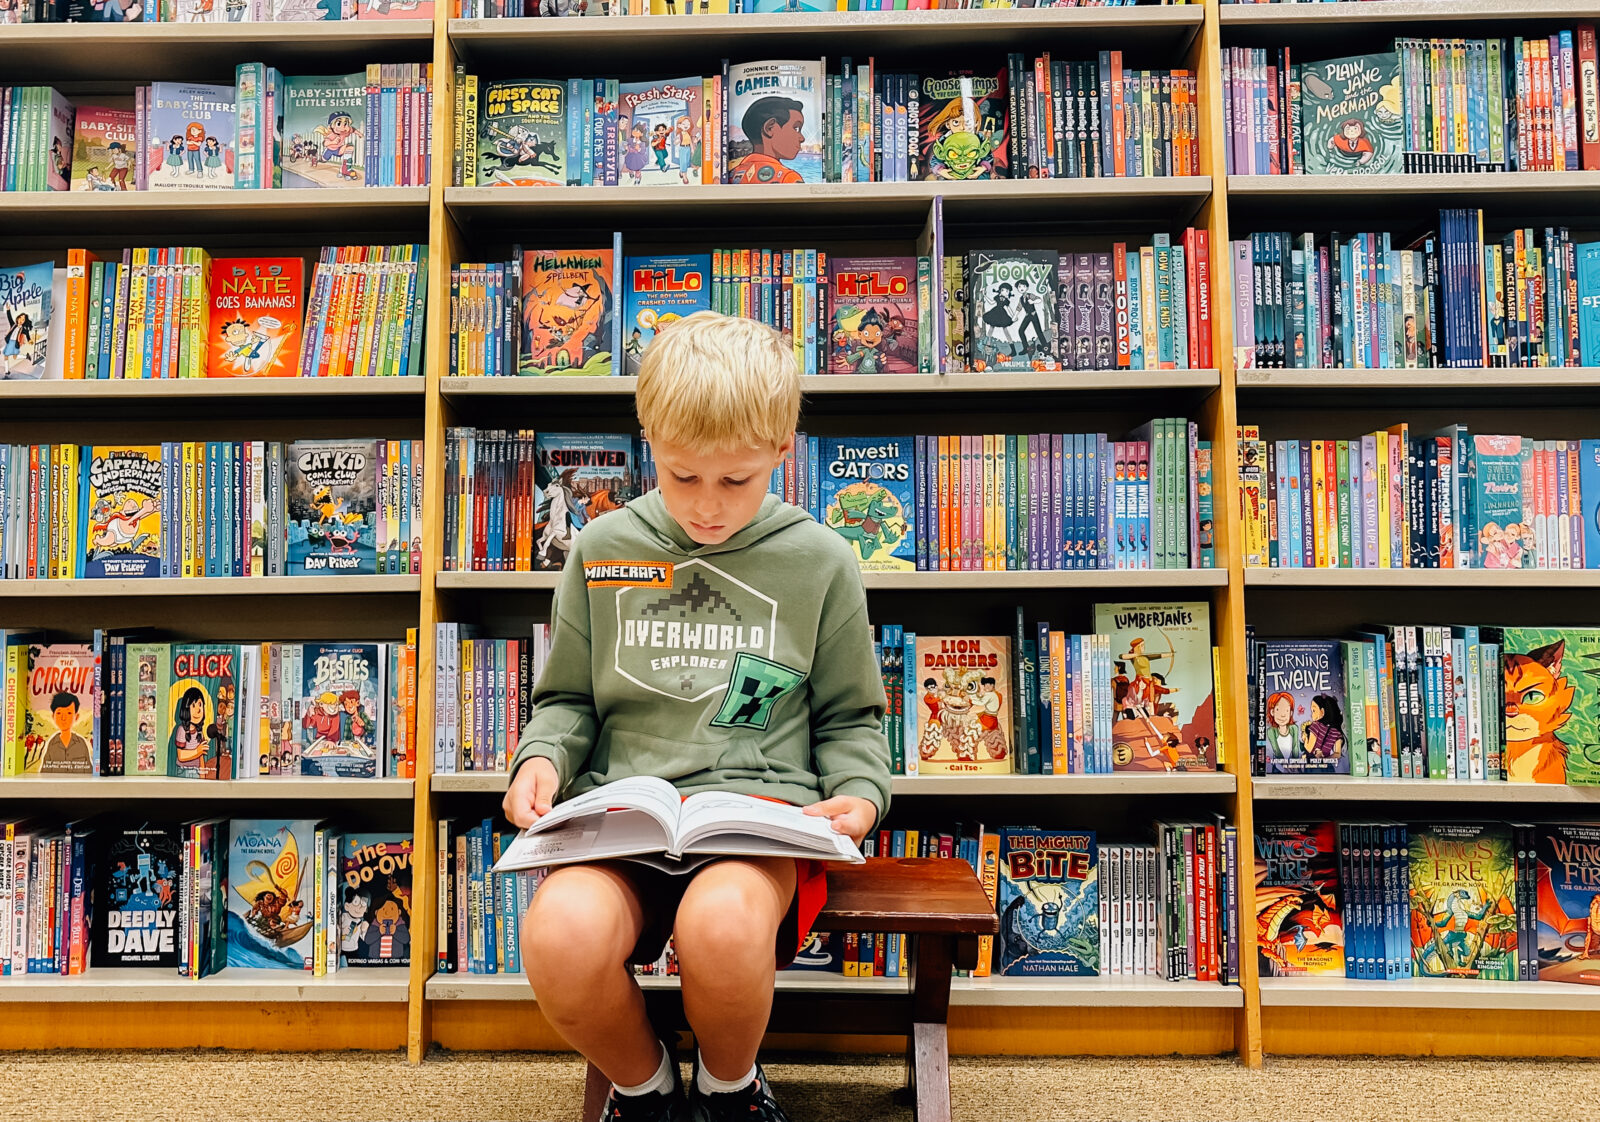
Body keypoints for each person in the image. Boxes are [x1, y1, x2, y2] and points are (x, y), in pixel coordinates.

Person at [503, 310, 891, 1122]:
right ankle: (645, 1094)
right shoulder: (601, 548)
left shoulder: (821, 561)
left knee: (721, 928)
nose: (707, 509)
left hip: (756, 820)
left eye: (735, 481)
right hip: (626, 814)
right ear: (648, 439)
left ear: (784, 450)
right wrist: (540, 759)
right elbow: (567, 699)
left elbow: (853, 718)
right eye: (683, 477)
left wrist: (860, 794)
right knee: (560, 936)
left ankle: (730, 1090)